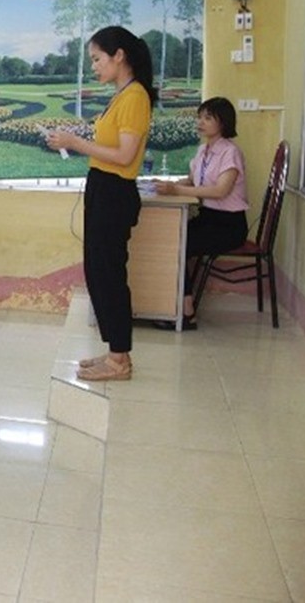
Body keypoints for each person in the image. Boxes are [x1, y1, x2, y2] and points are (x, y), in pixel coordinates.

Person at [48, 26, 156, 382]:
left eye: (97, 59)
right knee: (98, 272)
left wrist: (76, 143)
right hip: (102, 188)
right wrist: (74, 141)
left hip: (114, 194)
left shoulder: (135, 96)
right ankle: (114, 352)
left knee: (109, 275)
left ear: (119, 56)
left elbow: (125, 156)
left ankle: (120, 360)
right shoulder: (121, 95)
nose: (93, 66)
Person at [153, 96, 249, 329]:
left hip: (228, 226)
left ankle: (187, 314)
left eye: (207, 118)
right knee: (171, 238)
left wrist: (177, 190)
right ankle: (170, 305)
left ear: (223, 122)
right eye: (199, 117)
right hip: (207, 218)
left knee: (179, 245)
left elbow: (220, 190)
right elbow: (193, 180)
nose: (200, 122)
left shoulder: (230, 152)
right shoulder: (203, 150)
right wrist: (168, 185)